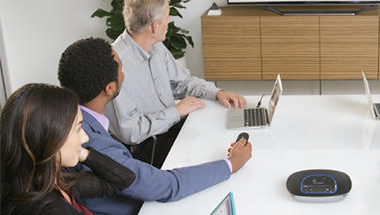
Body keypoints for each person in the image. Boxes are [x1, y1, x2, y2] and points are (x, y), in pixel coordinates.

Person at [58, 37, 252, 214]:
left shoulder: (66, 119)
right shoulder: (90, 141)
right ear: (109, 88)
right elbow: (164, 186)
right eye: (121, 68)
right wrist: (231, 164)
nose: (124, 73)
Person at [103, 0, 248, 167]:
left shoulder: (155, 47)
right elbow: (130, 131)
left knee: (224, 134)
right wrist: (176, 111)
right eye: (167, 17)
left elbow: (184, 83)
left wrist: (217, 93)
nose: (169, 21)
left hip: (173, 131)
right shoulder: (114, 65)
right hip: (148, 153)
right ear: (154, 26)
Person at [1, 83, 136, 214]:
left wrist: (83, 153)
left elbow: (124, 179)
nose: (85, 138)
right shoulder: (51, 209)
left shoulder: (56, 181)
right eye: (78, 129)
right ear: (50, 138)